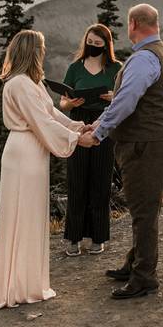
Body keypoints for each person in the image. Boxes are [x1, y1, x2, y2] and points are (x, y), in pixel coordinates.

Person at [0, 30, 95, 311]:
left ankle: (25, 282)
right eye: (42, 48)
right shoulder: (20, 84)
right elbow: (40, 122)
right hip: (24, 152)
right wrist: (76, 140)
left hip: (31, 151)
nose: (44, 52)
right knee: (24, 214)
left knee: (29, 214)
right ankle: (19, 287)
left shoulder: (30, 84)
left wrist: (76, 126)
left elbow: (50, 114)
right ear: (32, 51)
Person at [80, 4, 163, 300]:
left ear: (134, 23)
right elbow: (123, 100)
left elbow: (125, 101)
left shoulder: (144, 57)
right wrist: (97, 123)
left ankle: (145, 276)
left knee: (144, 211)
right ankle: (135, 263)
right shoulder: (157, 51)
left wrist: (98, 133)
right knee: (141, 206)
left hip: (145, 142)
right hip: (149, 139)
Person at [58, 24, 121, 256]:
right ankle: (73, 239)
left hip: (105, 122)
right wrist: (70, 104)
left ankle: (98, 237)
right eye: (90, 43)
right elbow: (62, 103)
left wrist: (114, 96)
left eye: (98, 44)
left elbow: (126, 97)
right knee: (77, 181)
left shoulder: (116, 68)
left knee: (100, 181)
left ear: (106, 45)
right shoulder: (75, 68)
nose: (93, 47)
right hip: (78, 123)